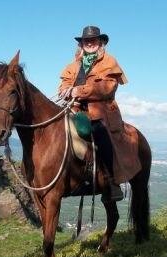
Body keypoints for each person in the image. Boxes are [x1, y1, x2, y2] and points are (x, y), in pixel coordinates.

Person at [58, 25, 128, 202]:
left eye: (93, 40)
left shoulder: (109, 62)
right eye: (86, 41)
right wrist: (66, 91)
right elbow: (64, 86)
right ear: (81, 44)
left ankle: (112, 182)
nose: (89, 43)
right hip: (75, 110)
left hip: (102, 112)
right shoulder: (72, 66)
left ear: (100, 42)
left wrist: (78, 91)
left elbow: (107, 88)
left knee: (101, 134)